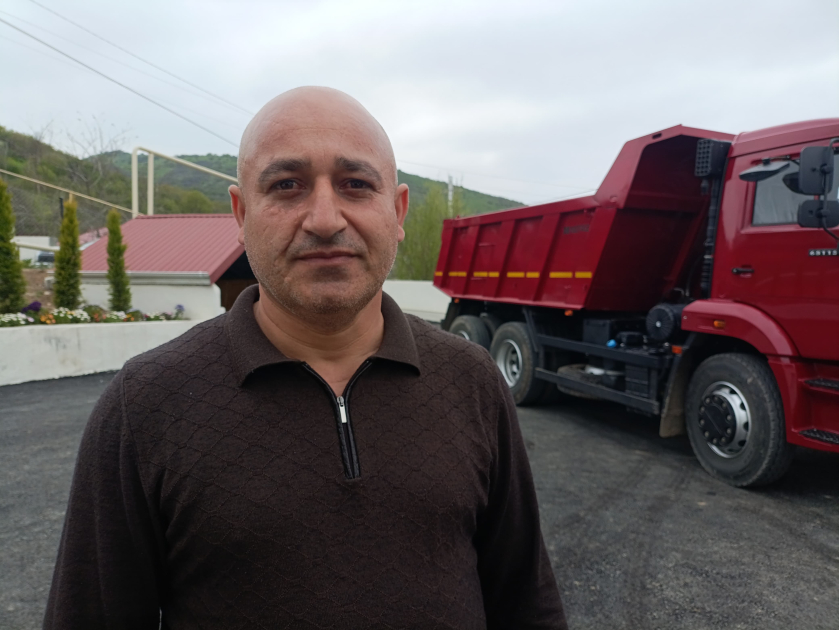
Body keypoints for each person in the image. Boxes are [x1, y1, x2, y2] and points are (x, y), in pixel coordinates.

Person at [44, 87, 567, 629]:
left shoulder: (471, 380)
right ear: (241, 213)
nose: (324, 219)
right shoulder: (145, 405)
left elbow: (526, 602)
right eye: (286, 185)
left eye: (355, 184)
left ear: (397, 210)